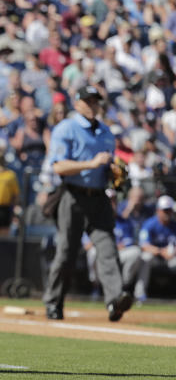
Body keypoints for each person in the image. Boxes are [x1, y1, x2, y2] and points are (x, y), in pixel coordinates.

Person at [43, 86, 133, 322]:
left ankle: (115, 301)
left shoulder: (105, 132)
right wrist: (91, 165)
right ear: (77, 103)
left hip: (99, 197)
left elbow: (109, 168)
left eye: (96, 101)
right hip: (72, 195)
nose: (93, 105)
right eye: (88, 100)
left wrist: (114, 175)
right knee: (66, 254)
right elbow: (58, 166)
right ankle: (54, 302)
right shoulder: (66, 128)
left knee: (108, 250)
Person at [135, 195, 176, 303]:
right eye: (165, 210)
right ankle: (140, 294)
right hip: (155, 257)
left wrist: (173, 251)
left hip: (171, 258)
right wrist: (161, 251)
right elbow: (143, 245)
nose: (168, 213)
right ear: (158, 211)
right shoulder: (150, 224)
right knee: (145, 258)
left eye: (169, 210)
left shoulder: (174, 225)